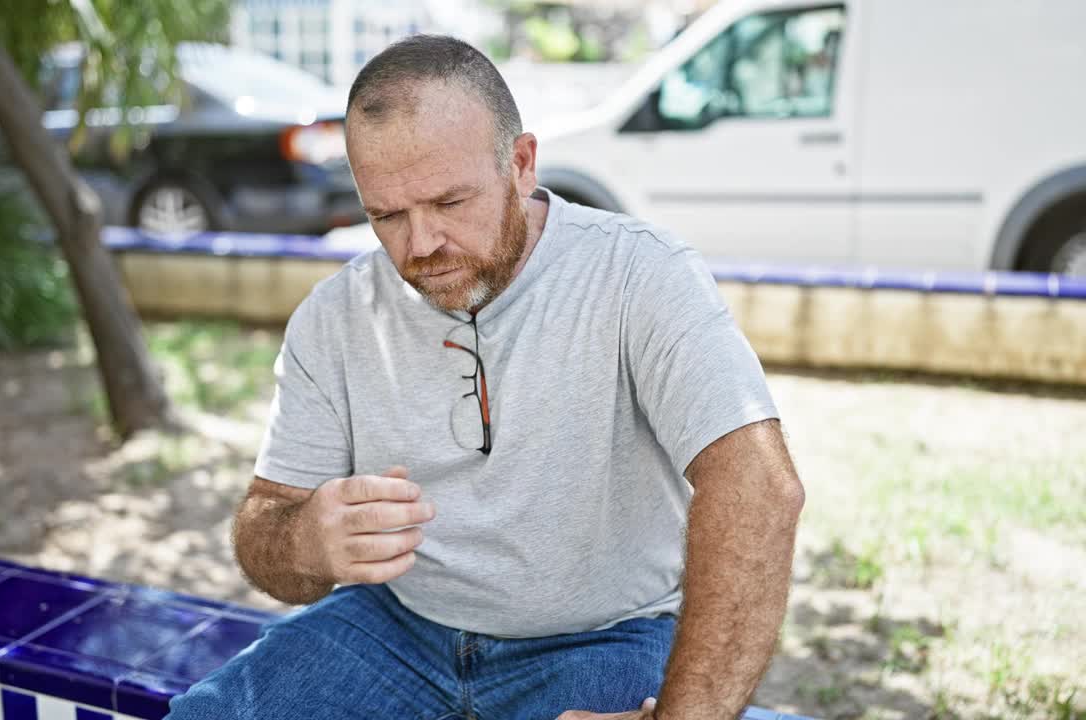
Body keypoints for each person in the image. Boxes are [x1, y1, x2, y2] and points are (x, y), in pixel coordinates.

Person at [166, 35, 804, 720]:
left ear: (521, 164)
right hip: (395, 630)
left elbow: (759, 487)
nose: (420, 245)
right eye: (385, 214)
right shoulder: (334, 316)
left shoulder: (640, 275)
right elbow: (264, 523)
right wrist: (305, 541)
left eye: (448, 202)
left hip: (605, 637)